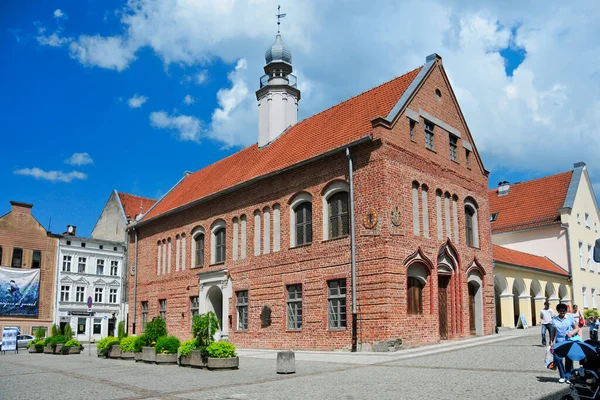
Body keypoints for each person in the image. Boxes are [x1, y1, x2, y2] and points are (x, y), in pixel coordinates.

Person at [551, 303, 583, 383]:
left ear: (566, 311)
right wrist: (551, 342)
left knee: (568, 359)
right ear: (558, 311)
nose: (562, 312)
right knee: (558, 359)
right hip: (559, 342)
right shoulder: (554, 320)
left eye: (564, 310)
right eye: (560, 310)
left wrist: (571, 333)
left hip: (568, 342)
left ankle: (568, 376)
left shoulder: (570, 318)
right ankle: (562, 376)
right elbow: (553, 332)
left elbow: (577, 328)